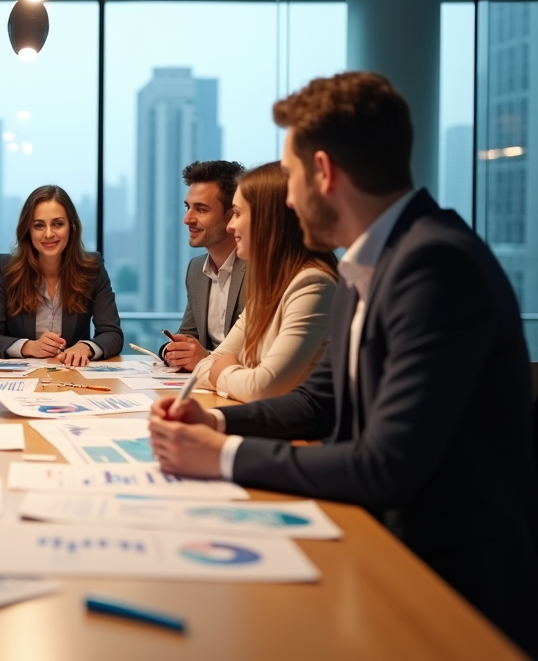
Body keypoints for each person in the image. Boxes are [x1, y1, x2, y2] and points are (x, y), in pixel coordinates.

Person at [148, 72, 538, 657]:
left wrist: (222, 457)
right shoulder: (366, 266)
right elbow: (319, 402)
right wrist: (220, 424)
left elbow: (388, 465)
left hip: (448, 585)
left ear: (324, 173)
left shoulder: (434, 265)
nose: (287, 198)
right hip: (383, 548)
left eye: (293, 177)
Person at [192, 162, 337, 402]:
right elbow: (202, 369)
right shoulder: (269, 288)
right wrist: (241, 376)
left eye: (238, 213)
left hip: (303, 437)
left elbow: (263, 388)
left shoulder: (313, 285)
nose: (230, 226)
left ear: (269, 220)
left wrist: (224, 371)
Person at [0, 185, 123, 365]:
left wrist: (86, 347)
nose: (49, 234)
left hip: (72, 377)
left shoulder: (92, 268)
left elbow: (112, 334)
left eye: (58, 224)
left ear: (72, 227)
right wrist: (29, 347)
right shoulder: (7, 269)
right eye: (38, 226)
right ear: (28, 231)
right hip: (20, 381)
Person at [161, 160, 247, 371]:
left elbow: (260, 355)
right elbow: (187, 336)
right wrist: (170, 350)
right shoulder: (196, 269)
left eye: (201, 209)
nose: (187, 219)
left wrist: (204, 358)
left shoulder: (259, 270)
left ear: (232, 214)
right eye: (188, 207)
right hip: (205, 384)